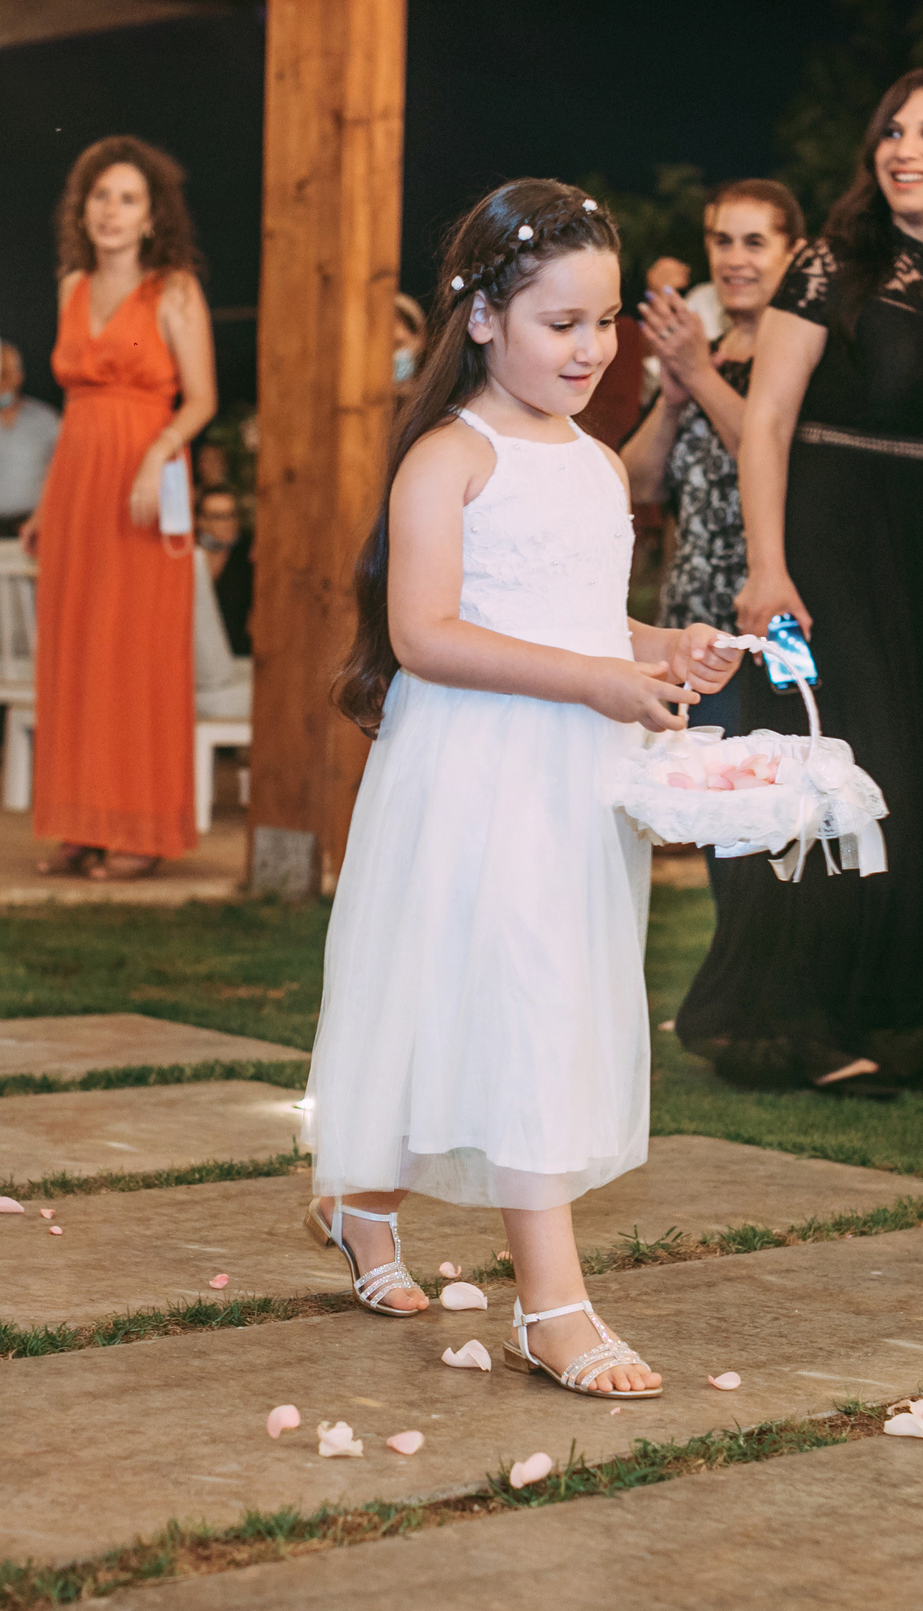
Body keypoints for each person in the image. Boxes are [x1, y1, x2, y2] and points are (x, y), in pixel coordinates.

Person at [303, 179, 737, 1397]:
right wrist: (598, 678)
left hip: (567, 780)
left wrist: (661, 646)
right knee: (507, 1003)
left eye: (607, 324)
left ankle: (358, 1198)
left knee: (503, 1003)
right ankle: (553, 1308)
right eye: (563, 323)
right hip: (473, 772)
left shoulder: (599, 467)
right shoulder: (452, 456)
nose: (592, 350)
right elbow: (428, 633)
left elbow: (588, 618)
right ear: (485, 318)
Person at [675, 69, 923, 1097]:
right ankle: (792, 1019)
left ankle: (898, 1016)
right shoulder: (830, 265)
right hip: (823, 554)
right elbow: (768, 424)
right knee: (828, 773)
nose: (902, 148)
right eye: (889, 129)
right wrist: (767, 566)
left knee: (920, 783)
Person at [21, 136, 217, 881]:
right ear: (84, 209)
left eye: (128, 198)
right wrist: (46, 504)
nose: (111, 210)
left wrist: (157, 453)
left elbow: (201, 398)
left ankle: (141, 829)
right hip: (77, 483)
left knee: (134, 652)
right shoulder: (71, 285)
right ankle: (82, 824)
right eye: (101, 196)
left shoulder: (173, 290)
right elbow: (73, 411)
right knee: (75, 651)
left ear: (152, 215)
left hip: (143, 479)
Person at [621, 178, 805, 899]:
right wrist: (671, 399)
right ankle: (738, 984)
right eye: (722, 240)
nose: (735, 259)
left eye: (756, 242)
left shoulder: (799, 358)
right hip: (693, 623)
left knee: (782, 798)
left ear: (793, 255)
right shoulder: (700, 351)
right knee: (712, 799)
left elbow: (776, 457)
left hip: (777, 619)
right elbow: (638, 485)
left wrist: (698, 371)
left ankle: (782, 984)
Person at [0, 343, 59, 537]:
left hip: (34, 527)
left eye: (4, 374)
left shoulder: (46, 421)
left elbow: (62, 473)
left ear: (18, 377)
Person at [198, 483, 254, 655]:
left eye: (231, 515)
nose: (226, 523)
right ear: (201, 520)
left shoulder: (248, 553)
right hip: (197, 655)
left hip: (240, 655)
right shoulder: (189, 554)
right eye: (218, 516)